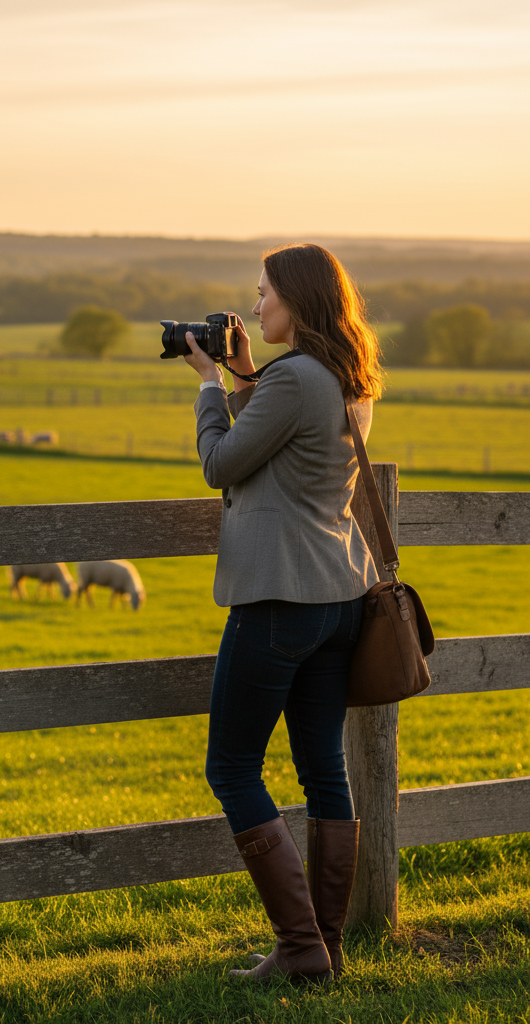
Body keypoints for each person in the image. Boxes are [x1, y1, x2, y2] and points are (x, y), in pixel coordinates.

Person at [182, 243, 385, 983]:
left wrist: (209, 386)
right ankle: (321, 947)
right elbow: (283, 445)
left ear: (297, 299)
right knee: (322, 770)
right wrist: (242, 375)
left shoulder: (295, 378)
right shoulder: (347, 378)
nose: (255, 304)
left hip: (278, 599)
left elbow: (223, 464)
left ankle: (300, 948)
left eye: (264, 292)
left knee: (232, 767)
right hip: (338, 600)